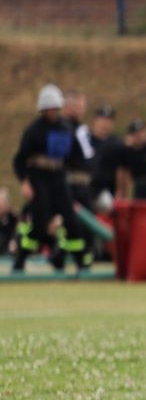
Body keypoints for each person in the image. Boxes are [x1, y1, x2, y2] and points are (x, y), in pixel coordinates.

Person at [12, 84, 89, 274]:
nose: (52, 112)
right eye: (48, 109)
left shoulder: (66, 128)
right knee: (40, 221)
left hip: (59, 177)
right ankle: (21, 259)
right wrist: (24, 182)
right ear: (42, 110)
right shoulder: (33, 131)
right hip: (39, 178)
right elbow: (20, 160)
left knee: (70, 220)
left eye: (55, 108)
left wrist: (85, 172)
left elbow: (75, 157)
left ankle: (80, 260)